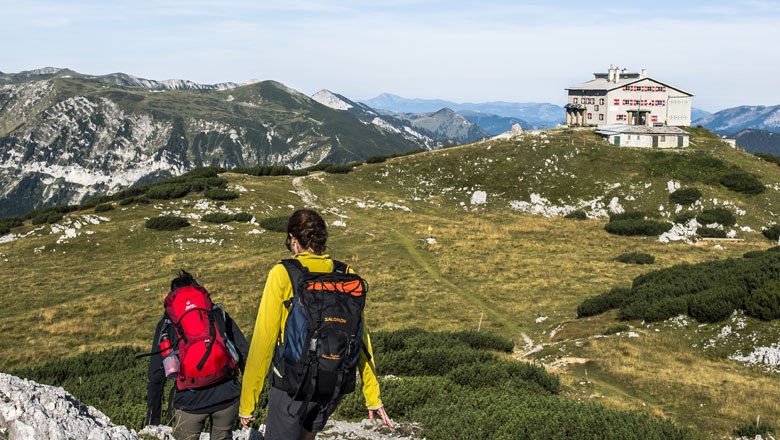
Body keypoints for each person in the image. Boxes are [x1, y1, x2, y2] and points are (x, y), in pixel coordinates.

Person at [239, 209, 394, 439]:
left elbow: (263, 340)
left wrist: (247, 403)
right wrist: (372, 395)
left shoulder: (283, 273)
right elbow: (361, 338)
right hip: (332, 382)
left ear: (294, 241)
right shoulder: (346, 273)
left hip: (291, 385)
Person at [145, 270, 249, 440]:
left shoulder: (167, 324)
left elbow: (156, 375)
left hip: (189, 401)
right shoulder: (216, 313)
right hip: (227, 396)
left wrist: (152, 420)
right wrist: (248, 401)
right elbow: (244, 352)